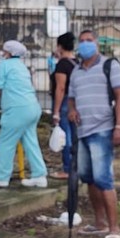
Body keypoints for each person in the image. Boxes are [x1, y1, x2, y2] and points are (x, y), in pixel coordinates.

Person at [67, 29, 120, 238]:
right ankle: (100, 222)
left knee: (103, 178)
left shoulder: (109, 65)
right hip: (82, 131)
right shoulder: (76, 71)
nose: (85, 44)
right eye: (81, 41)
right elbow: (71, 98)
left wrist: (119, 126)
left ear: (97, 44)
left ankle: (115, 229)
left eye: (89, 41)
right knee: (88, 177)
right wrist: (71, 110)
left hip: (103, 129)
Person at [0, 40, 48, 189]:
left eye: (4, 50)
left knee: (5, 142)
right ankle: (39, 175)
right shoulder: (22, 67)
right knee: (30, 142)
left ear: (8, 53)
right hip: (32, 107)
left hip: (17, 110)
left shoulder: (3, 66)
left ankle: (1, 177)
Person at [48, 32, 77, 180]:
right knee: (75, 136)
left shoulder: (62, 64)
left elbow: (60, 88)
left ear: (60, 46)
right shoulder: (77, 63)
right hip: (76, 102)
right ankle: (76, 167)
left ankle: (67, 169)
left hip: (65, 102)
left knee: (65, 137)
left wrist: (56, 111)